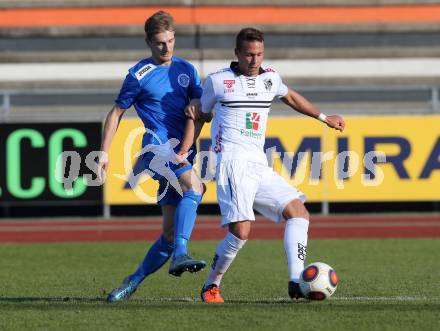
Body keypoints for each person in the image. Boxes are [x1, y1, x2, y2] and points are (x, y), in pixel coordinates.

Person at [180, 27, 345, 303]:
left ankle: (296, 281)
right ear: (237, 53)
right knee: (241, 232)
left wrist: (324, 117)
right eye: (248, 54)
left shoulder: (270, 78)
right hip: (232, 164)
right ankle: (211, 285)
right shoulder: (219, 81)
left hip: (258, 163)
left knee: (299, 213)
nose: (254, 60)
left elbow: (290, 97)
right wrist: (186, 148)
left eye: (258, 54)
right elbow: (200, 114)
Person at [100, 11, 207, 303]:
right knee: (195, 188)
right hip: (158, 148)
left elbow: (199, 104)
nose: (167, 48)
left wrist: (199, 106)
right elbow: (116, 112)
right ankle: (181, 255)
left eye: (171, 41)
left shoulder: (186, 68)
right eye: (160, 43)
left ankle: (132, 282)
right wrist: (105, 153)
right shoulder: (138, 75)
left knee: (169, 235)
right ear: (149, 42)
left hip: (183, 149)